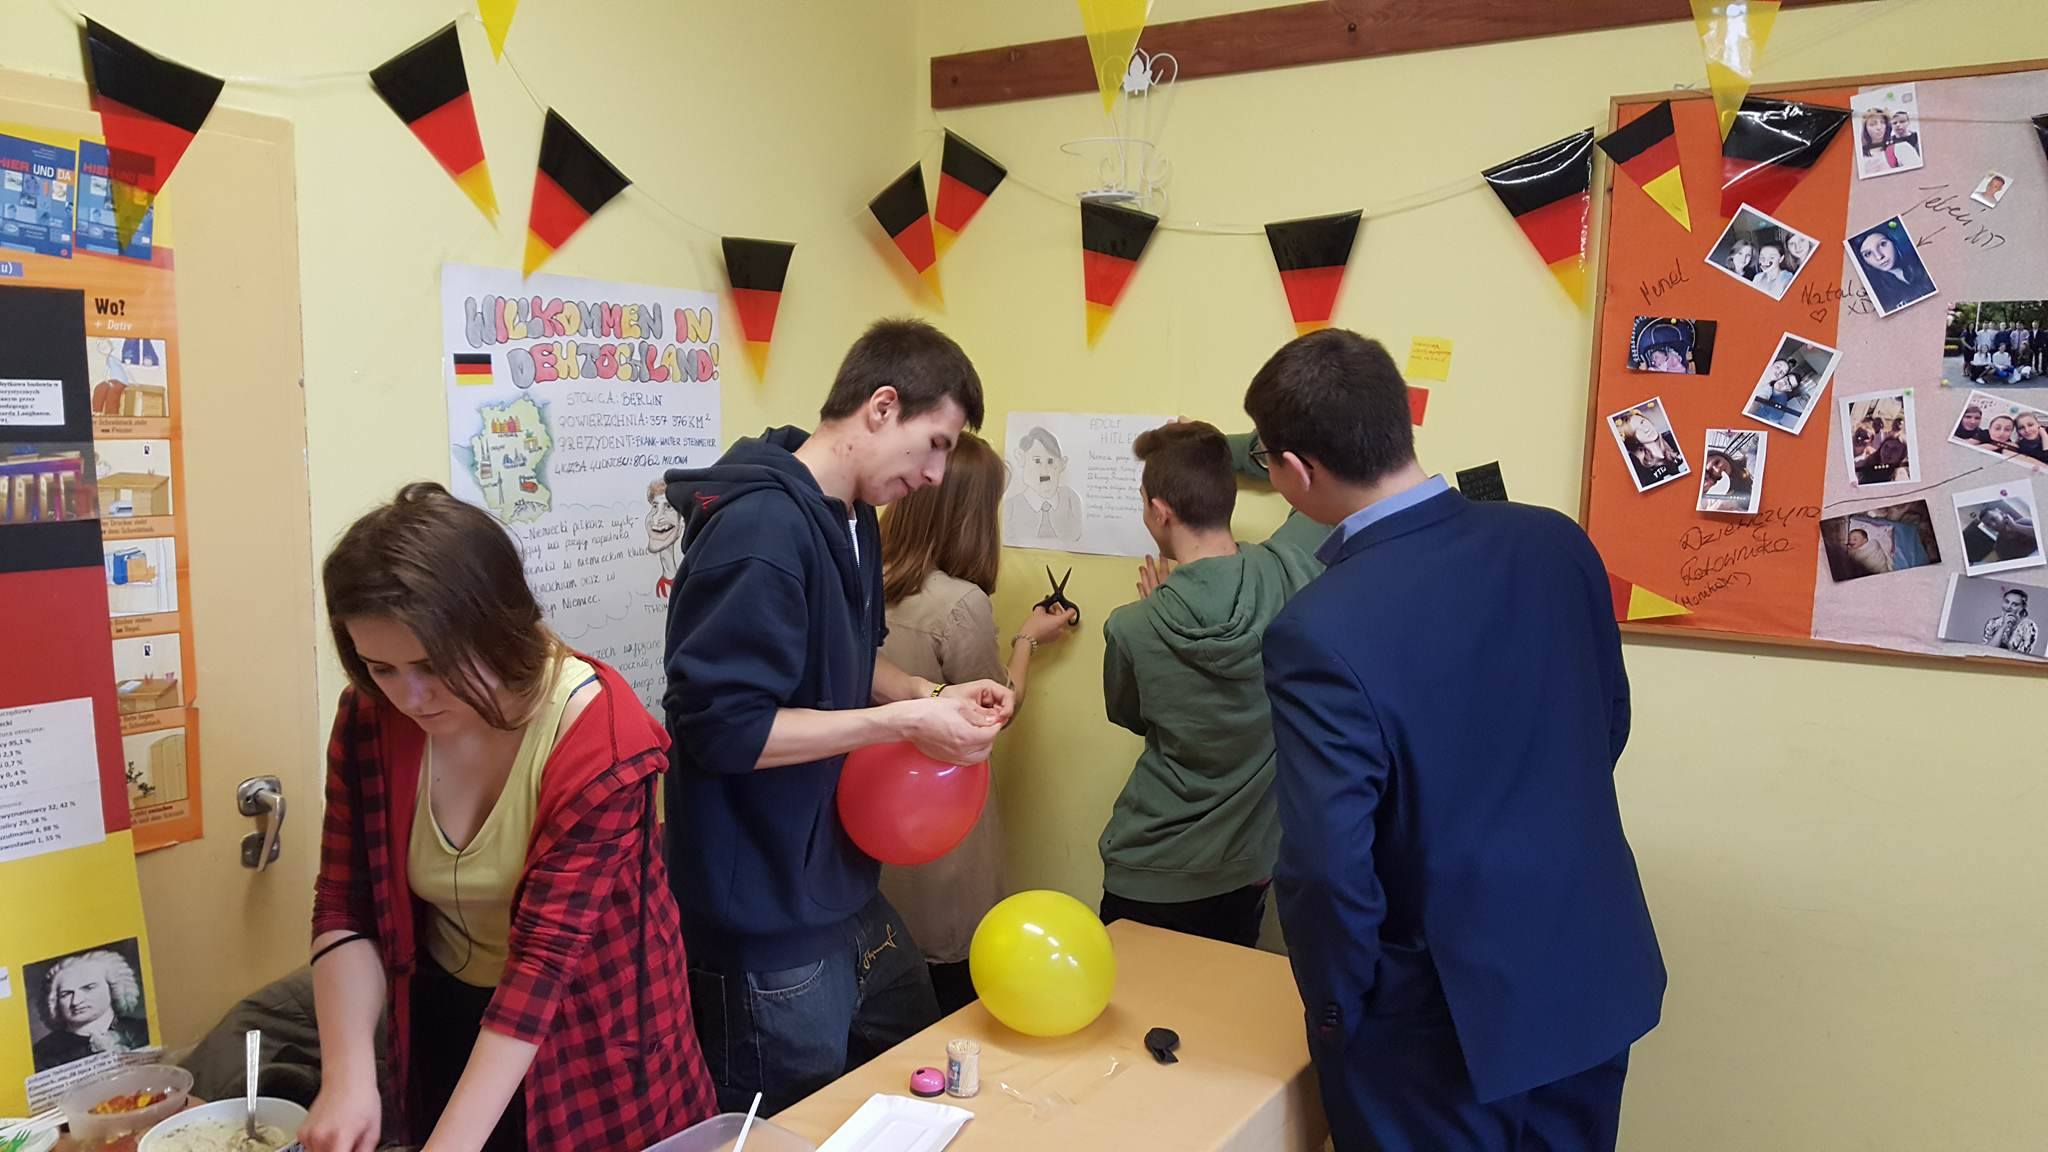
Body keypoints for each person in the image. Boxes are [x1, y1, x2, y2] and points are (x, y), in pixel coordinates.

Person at [1244, 330, 1662, 1152]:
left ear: (1294, 469)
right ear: (1398, 423)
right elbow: (1604, 725)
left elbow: (1327, 864)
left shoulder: (1317, 627)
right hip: (1588, 962)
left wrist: (1339, 1014)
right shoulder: (1555, 542)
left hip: (1439, 1017)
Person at [661, 317, 1008, 1116]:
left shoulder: (852, 518)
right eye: (935, 444)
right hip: (762, 919)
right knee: (792, 1123)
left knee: (913, 1082)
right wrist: (903, 725)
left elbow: (847, 656)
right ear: (881, 407)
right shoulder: (760, 532)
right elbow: (722, 729)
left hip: (843, 889)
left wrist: (925, 694)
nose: (936, 474)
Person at [304, 482, 715, 1152]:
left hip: (593, 1040)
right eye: (382, 668)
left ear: (499, 627)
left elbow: (543, 964)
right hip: (448, 1014)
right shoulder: (370, 719)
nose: (412, 696)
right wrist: (348, 1075)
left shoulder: (601, 738)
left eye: (433, 665)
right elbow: (346, 902)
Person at [1097, 421, 1326, 949]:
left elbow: (1131, 716)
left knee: (1131, 1000)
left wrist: (1158, 612)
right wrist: (1219, 448)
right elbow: (1315, 457)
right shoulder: (1290, 573)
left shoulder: (1131, 627)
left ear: (1160, 511)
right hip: (1247, 866)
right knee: (1218, 998)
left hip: (1149, 867)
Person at [874, 430, 1077, 1014]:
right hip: (943, 819)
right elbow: (992, 710)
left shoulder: (862, 581)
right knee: (948, 989)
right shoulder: (960, 602)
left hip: (875, 814)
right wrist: (1026, 641)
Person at [33, 950, 151, 1072]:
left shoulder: (143, 1030)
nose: (76, 1001)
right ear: (55, 1002)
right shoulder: (43, 1052)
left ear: (113, 987)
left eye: (88, 988)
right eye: (66, 994)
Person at [1005, 425, 1085, 542]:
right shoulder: (1011, 507)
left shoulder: (1070, 499)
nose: (1044, 470)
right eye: (1037, 461)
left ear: (1062, 464)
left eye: (1050, 461)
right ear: (1021, 458)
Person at [1857, 228, 1934, 313]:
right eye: (1868, 254)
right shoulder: (1879, 295)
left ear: (1894, 241)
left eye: (1883, 244)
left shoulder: (1923, 262)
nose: (1879, 256)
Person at [1615, 407, 1687, 488]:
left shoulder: (1672, 437)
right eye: (1637, 430)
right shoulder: (1637, 466)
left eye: (1642, 422)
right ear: (1633, 439)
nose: (1646, 428)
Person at [646, 477, 682, 599]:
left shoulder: (688, 584)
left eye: (668, 507)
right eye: (655, 506)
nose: (656, 519)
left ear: (682, 522)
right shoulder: (663, 585)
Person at [1983, 588, 2040, 655]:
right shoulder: (1992, 623)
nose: (2008, 607)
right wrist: (2003, 627)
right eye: (2006, 602)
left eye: (2015, 604)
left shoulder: (2029, 627)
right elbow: (1987, 650)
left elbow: (2021, 656)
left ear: (2023, 607)